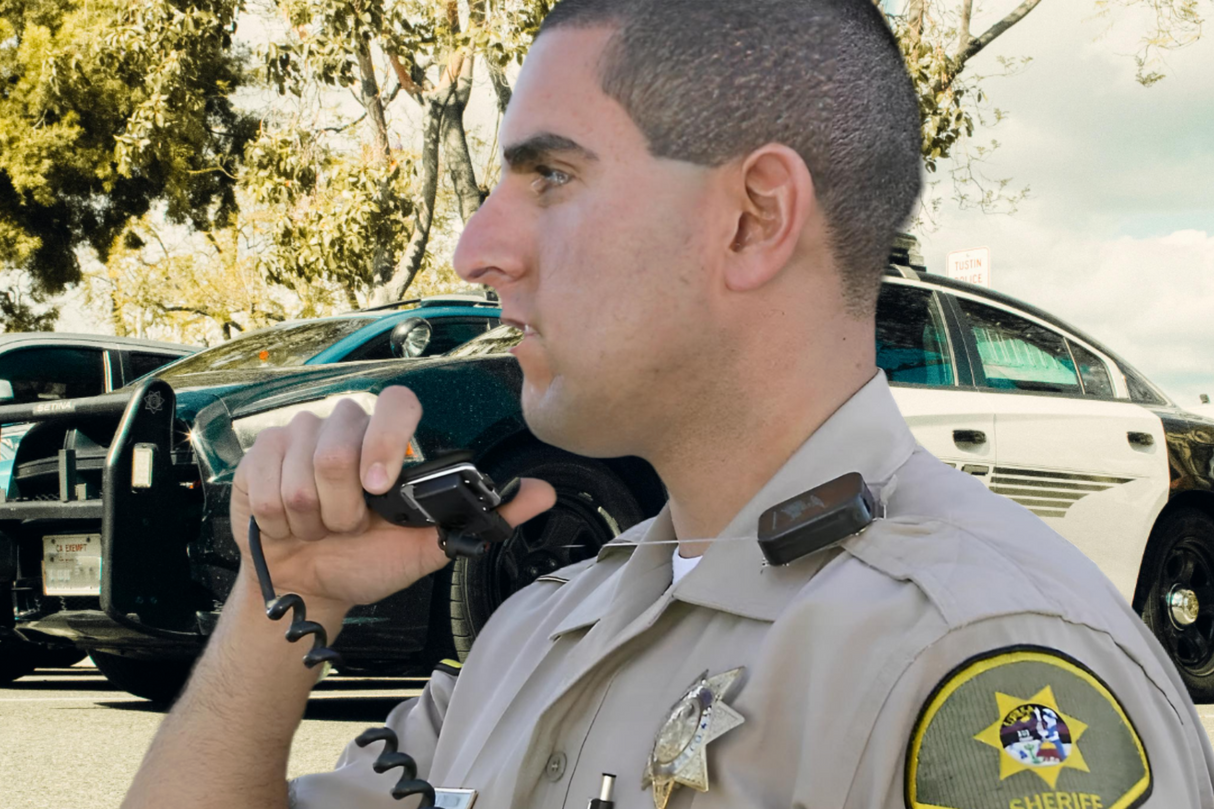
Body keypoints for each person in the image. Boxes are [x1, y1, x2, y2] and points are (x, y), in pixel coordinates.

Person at [122, 1, 1214, 807]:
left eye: (550, 175)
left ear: (750, 220)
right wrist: (290, 597)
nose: (475, 248)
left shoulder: (970, 660)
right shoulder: (536, 636)